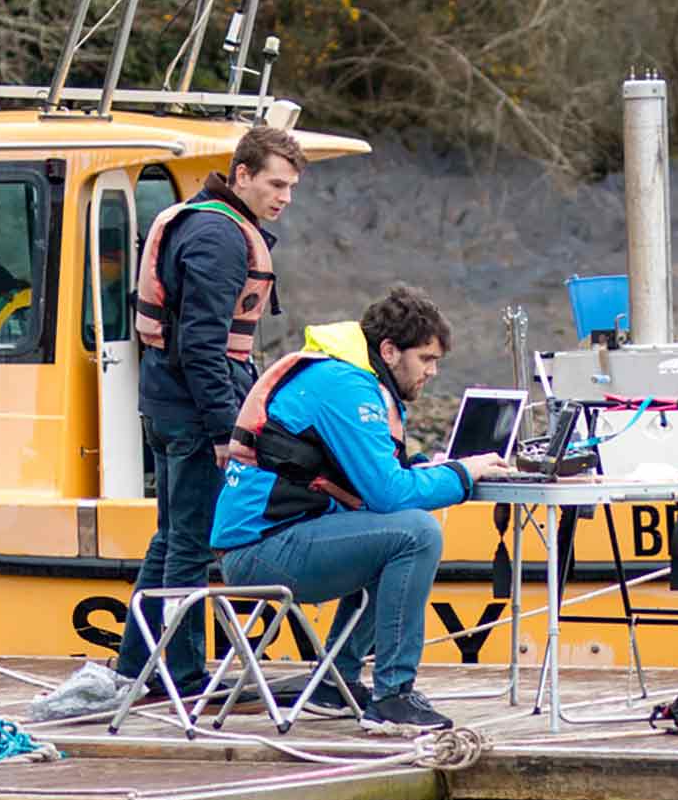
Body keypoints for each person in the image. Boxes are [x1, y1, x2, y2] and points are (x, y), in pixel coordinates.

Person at [210, 286, 514, 734]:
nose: (432, 372)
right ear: (389, 351)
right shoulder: (346, 384)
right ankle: (393, 695)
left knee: (395, 533)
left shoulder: (347, 376)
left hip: (276, 539)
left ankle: (337, 683)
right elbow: (388, 494)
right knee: (415, 533)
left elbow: (370, 482)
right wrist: (463, 475)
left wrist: (438, 470)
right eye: (426, 359)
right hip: (261, 551)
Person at [114, 126, 309, 697]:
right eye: (276, 183)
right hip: (196, 410)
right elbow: (202, 344)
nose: (284, 198)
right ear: (241, 175)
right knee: (192, 545)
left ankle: (137, 667)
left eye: (292, 187)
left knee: (171, 537)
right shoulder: (220, 239)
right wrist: (227, 430)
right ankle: (184, 676)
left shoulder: (196, 220)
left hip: (164, 402)